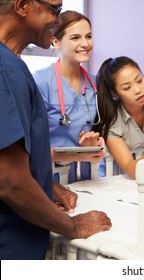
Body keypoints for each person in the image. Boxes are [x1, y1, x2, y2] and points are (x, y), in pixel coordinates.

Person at [0, 0, 111, 260]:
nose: (58, 20)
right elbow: (10, 183)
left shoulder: (12, 66)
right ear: (22, 5)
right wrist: (74, 226)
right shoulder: (6, 71)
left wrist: (44, 185)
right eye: (54, 10)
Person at [33, 10, 105, 183]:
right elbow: (32, 146)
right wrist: (80, 155)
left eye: (88, 36)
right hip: (49, 178)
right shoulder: (41, 81)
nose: (85, 43)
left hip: (85, 178)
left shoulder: (96, 84)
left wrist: (93, 145)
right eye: (75, 38)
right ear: (56, 42)